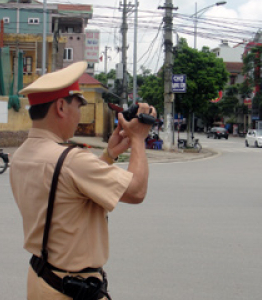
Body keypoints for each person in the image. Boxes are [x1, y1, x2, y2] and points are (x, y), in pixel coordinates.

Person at [9, 61, 156, 300]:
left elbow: (64, 190)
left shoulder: (21, 155)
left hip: (40, 280)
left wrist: (108, 156)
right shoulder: (71, 160)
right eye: (79, 106)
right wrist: (138, 139)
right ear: (60, 107)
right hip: (72, 289)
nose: (80, 115)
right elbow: (137, 191)